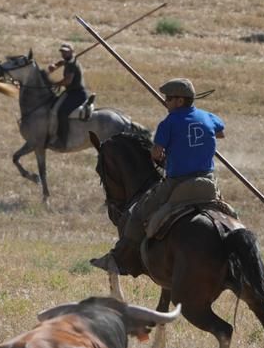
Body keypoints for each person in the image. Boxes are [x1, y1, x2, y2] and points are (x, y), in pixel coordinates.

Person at [91, 77, 225, 275]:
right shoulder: (209, 117)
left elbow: (156, 153)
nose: (166, 102)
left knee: (136, 214)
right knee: (228, 216)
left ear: (180, 101)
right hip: (209, 183)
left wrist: (165, 155)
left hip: (178, 182)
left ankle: (119, 258)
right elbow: (220, 133)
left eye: (168, 99)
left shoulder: (169, 123)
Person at [46, 43, 89, 148]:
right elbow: (62, 62)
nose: (64, 53)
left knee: (62, 112)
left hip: (77, 94)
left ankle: (63, 140)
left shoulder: (72, 64)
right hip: (70, 92)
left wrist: (55, 84)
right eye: (62, 52)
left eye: (66, 51)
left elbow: (68, 81)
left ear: (71, 51)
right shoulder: (68, 61)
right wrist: (55, 65)